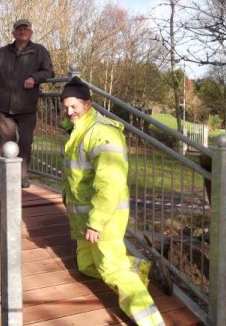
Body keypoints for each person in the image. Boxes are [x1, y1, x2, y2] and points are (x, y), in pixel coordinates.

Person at [60, 76, 167, 326]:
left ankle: (151, 321)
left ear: (88, 104)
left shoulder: (102, 133)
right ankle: (141, 267)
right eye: (65, 106)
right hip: (83, 218)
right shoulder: (79, 129)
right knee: (86, 265)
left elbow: (110, 185)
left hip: (103, 217)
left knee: (112, 269)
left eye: (74, 106)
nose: (69, 111)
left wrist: (96, 223)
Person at [0, 18, 54, 188]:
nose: (22, 32)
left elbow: (49, 71)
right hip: (4, 107)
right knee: (7, 143)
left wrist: (35, 78)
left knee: (25, 142)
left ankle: (23, 175)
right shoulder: (2, 52)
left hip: (27, 106)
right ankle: (8, 176)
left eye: (26, 29)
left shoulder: (39, 51)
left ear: (31, 32)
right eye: (19, 29)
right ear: (13, 33)